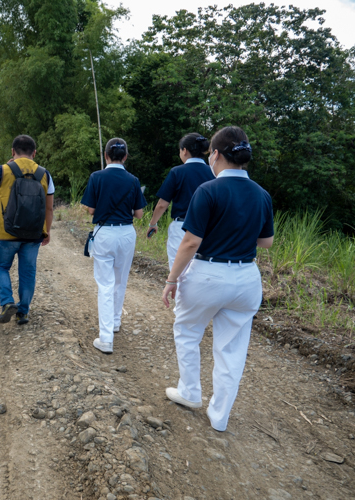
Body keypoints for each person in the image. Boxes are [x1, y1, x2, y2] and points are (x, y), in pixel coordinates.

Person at [161, 126, 274, 432]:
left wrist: (172, 280)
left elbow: (190, 242)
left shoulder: (208, 191)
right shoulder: (261, 194)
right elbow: (266, 242)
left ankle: (190, 391)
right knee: (232, 348)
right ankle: (220, 416)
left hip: (208, 274)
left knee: (187, 330)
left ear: (215, 154)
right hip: (247, 277)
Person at [81, 138, 147, 354]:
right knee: (121, 279)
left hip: (105, 232)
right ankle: (115, 321)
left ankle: (106, 337)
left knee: (105, 283)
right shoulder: (133, 180)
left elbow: (90, 209)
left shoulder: (96, 177)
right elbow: (139, 214)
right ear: (125, 157)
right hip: (127, 233)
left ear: (106, 155)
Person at [0, 135, 55, 325]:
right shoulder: (44, 173)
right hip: (33, 234)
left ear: (13, 151)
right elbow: (49, 208)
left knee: (0, 267)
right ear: (34, 153)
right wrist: (46, 231)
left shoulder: (3, 170)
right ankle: (23, 312)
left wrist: (4, 169)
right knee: (27, 272)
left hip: (6, 233)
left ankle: (7, 302)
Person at [148, 133, 215, 269]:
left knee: (178, 271)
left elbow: (162, 204)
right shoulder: (213, 173)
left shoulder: (177, 172)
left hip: (182, 228)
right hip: (207, 229)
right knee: (201, 270)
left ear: (184, 151)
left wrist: (153, 223)